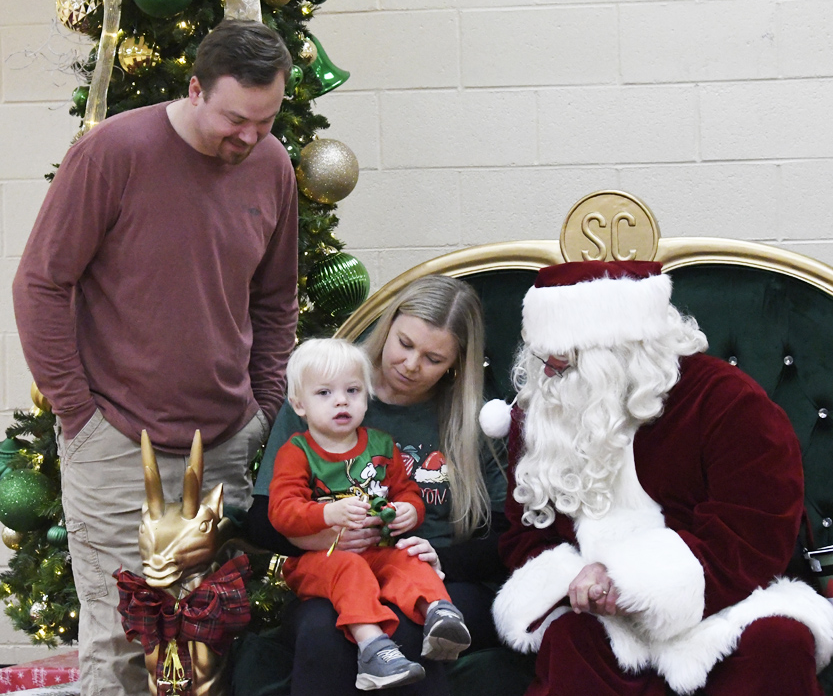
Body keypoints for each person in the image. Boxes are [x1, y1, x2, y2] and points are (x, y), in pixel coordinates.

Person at [12, 19, 298, 696]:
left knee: (207, 644)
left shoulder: (273, 165)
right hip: (116, 443)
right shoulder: (112, 153)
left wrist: (262, 408)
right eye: (235, 119)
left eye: (265, 121)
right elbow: (41, 283)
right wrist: (79, 415)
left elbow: (275, 298)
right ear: (195, 89)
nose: (250, 138)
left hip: (223, 443)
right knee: (123, 643)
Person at [489, 260, 833, 695]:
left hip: (726, 600)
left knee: (778, 644)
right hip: (598, 618)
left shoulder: (728, 401)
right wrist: (581, 585)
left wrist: (629, 582)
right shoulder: (546, 408)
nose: (547, 374)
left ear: (619, 351)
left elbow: (753, 535)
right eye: (543, 357)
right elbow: (525, 534)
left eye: (564, 361)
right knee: (570, 642)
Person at [245, 274, 508, 696]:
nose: (411, 364)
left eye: (433, 358)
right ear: (388, 326)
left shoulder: (475, 418)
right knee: (325, 632)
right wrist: (321, 536)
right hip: (333, 570)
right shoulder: (325, 394)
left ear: (456, 363)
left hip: (439, 578)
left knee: (410, 628)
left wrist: (439, 559)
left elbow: (507, 538)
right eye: (404, 344)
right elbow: (263, 518)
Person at [269, 338, 472, 690]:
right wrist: (328, 513)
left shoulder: (381, 445)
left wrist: (409, 510)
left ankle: (439, 613)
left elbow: (406, 491)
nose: (341, 401)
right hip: (320, 561)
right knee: (350, 568)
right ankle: (373, 648)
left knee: (409, 557)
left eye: (352, 390)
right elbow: (281, 512)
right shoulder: (297, 451)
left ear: (367, 396)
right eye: (324, 393)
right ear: (299, 404)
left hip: (377, 550)